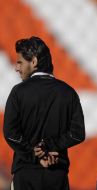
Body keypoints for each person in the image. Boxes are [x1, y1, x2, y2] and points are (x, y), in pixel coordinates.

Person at [3, 36, 86, 190]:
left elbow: (10, 133)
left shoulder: (18, 92)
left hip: (26, 173)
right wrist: (49, 146)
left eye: (20, 62)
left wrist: (34, 154)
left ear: (33, 62)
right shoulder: (68, 93)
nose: (16, 67)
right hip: (56, 173)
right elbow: (77, 134)